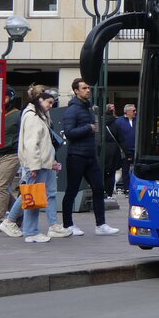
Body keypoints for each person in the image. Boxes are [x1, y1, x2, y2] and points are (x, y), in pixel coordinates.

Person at [60, 77, 118, 236]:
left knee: (99, 188)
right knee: (71, 190)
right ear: (76, 91)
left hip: (90, 156)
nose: (88, 90)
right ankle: (67, 225)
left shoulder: (89, 108)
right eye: (84, 88)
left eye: (88, 88)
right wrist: (88, 127)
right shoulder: (72, 109)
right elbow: (69, 133)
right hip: (76, 156)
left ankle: (101, 225)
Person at [18, 84, 69, 243]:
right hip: (37, 164)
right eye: (49, 102)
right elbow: (32, 144)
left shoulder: (37, 115)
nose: (51, 106)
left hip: (41, 163)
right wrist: (33, 166)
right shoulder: (33, 117)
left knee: (34, 197)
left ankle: (29, 229)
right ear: (40, 100)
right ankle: (30, 231)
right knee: (33, 197)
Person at [0, 89, 22, 233]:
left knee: (1, 187)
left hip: (10, 154)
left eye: (5, 96)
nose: (2, 99)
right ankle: (18, 213)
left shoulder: (17, 115)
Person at [112, 103, 137, 192]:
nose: (135, 112)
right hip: (124, 150)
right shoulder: (119, 122)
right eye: (133, 111)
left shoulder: (137, 121)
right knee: (125, 170)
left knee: (137, 170)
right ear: (128, 111)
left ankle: (135, 188)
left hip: (136, 150)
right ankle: (126, 188)